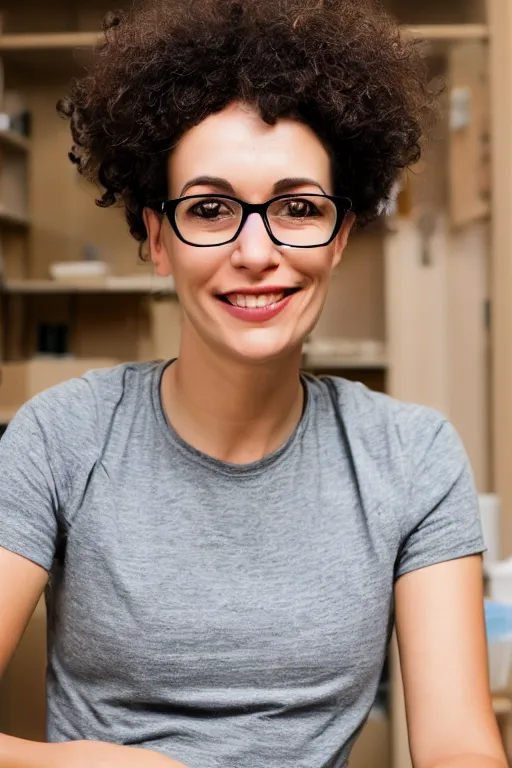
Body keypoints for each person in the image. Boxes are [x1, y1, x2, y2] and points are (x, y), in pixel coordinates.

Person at [0, 0, 507, 767]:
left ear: (339, 235)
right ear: (156, 237)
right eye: (210, 209)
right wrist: (86, 763)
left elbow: (460, 747)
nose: (256, 250)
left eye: (297, 208)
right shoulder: (61, 436)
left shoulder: (413, 456)